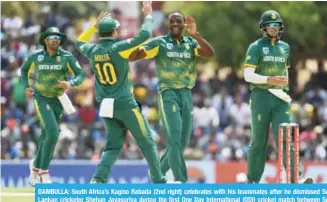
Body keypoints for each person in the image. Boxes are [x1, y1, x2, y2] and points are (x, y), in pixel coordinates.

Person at [75, 2, 167, 184]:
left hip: (106, 105)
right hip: (125, 103)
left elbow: (79, 42)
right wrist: (148, 16)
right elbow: (145, 35)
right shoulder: (119, 48)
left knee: (113, 146)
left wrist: (93, 26)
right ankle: (158, 180)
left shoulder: (93, 50)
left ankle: (97, 180)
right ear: (115, 32)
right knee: (147, 141)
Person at [129, 12, 214, 183]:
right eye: (172, 21)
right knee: (174, 138)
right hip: (168, 93)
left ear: (184, 24)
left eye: (178, 21)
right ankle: (181, 181)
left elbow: (209, 53)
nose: (175, 24)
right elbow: (133, 56)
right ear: (168, 24)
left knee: (182, 143)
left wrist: (195, 34)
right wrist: (141, 41)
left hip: (186, 94)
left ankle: (156, 175)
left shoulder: (190, 43)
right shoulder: (160, 43)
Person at [243, 10, 313, 184]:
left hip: (280, 98)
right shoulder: (256, 47)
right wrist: (269, 79)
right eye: (270, 25)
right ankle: (252, 180)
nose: (274, 28)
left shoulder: (285, 47)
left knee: (285, 137)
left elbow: (285, 73)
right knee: (259, 142)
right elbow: (248, 75)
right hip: (260, 96)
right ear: (263, 27)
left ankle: (295, 177)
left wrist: (282, 86)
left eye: (276, 25)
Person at [21, 27, 84, 185]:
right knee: (53, 132)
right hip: (41, 98)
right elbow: (23, 70)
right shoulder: (36, 57)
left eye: (58, 37)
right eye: (52, 37)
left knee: (46, 135)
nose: (56, 40)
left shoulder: (66, 57)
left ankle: (35, 167)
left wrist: (70, 83)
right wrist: (26, 87)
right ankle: (44, 172)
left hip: (58, 100)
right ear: (45, 40)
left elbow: (80, 74)